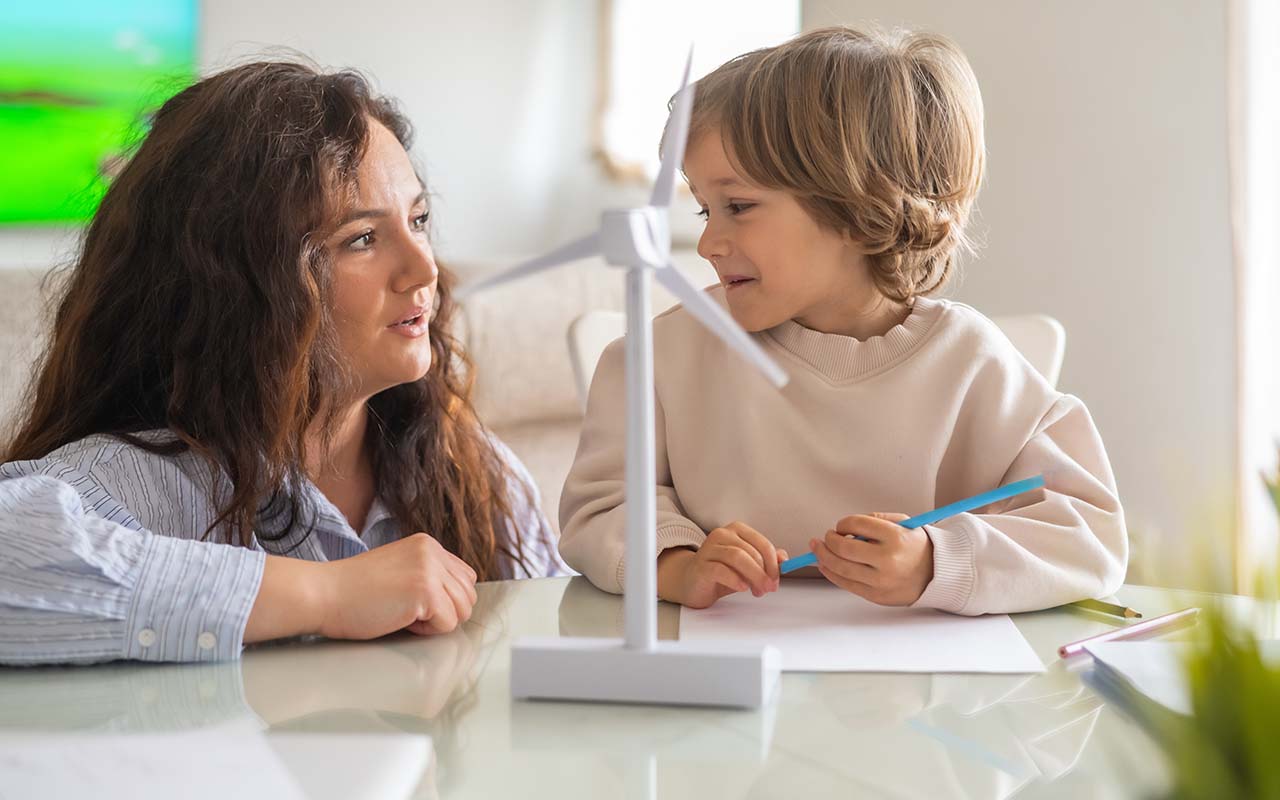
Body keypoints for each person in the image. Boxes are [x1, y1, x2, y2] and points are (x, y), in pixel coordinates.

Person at [0, 60, 564, 666]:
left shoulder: (475, 469)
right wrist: (329, 594)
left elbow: (554, 649)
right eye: (362, 238)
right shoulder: (149, 481)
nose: (424, 269)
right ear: (237, 286)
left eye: (418, 220)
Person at [559, 26, 1127, 614]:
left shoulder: (974, 364)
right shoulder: (663, 357)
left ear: (859, 209)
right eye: (706, 210)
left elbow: (1089, 534)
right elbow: (600, 510)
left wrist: (937, 561)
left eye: (739, 207)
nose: (707, 244)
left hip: (918, 670)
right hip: (723, 662)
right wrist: (678, 566)